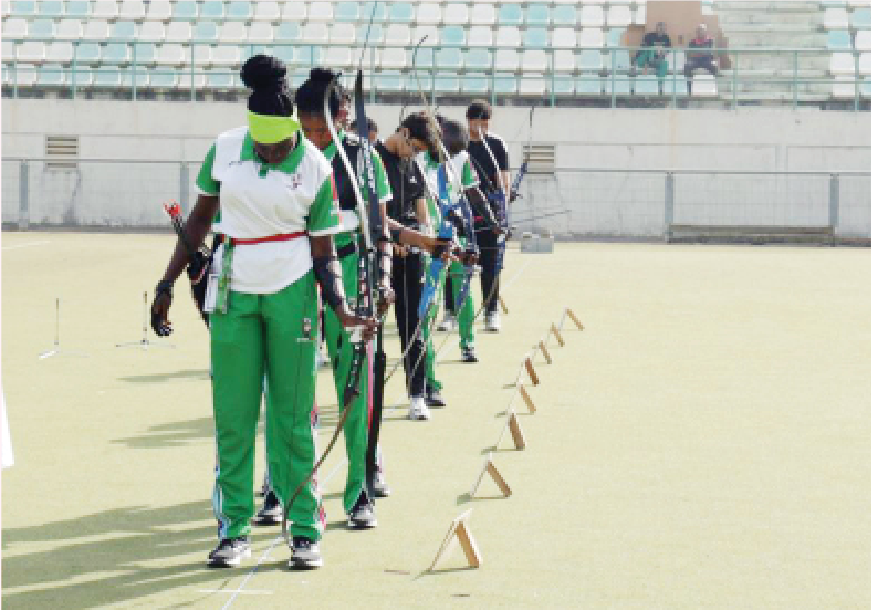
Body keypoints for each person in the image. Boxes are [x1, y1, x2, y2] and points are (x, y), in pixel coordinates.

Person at [150, 55, 376, 570]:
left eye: (276, 145)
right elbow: (198, 223)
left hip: (293, 291)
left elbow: (323, 252)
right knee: (233, 418)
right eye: (261, 144)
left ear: (293, 131)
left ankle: (304, 530)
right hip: (232, 292)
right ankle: (233, 529)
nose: (268, 152)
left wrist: (339, 307)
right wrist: (166, 282)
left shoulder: (315, 167)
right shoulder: (226, 150)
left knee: (292, 418)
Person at [293, 67, 394, 527]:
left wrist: (383, 279)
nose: (314, 137)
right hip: (295, 277)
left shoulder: (364, 159)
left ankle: (359, 491)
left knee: (354, 391)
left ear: (343, 116)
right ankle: (286, 486)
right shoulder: (285, 154)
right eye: (306, 127)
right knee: (291, 393)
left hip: (352, 273)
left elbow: (382, 230)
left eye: (322, 127)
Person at [375, 115, 442, 420]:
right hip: (378, 258)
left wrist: (424, 234)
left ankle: (417, 394)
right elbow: (375, 213)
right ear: (402, 132)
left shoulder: (412, 165)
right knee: (370, 332)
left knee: (412, 327)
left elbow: (420, 205)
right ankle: (366, 398)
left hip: (411, 256)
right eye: (413, 147)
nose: (413, 154)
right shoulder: (374, 158)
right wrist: (394, 238)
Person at [466, 100, 512, 333]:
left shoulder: (497, 144)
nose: (482, 128)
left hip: (490, 215)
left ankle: (491, 311)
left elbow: (504, 179)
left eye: (486, 123)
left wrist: (503, 199)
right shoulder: (458, 144)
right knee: (457, 264)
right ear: (469, 122)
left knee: (491, 265)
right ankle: (452, 311)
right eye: (477, 124)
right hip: (462, 213)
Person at [633, 22, 671, 91]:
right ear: (656, 28)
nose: (661, 29)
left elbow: (668, 50)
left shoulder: (666, 38)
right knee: (652, 48)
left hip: (656, 60)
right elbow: (643, 49)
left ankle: (660, 86)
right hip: (643, 60)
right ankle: (648, 62)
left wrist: (663, 52)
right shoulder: (649, 36)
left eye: (663, 28)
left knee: (664, 63)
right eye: (660, 28)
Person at [683, 24, 719, 95]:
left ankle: (714, 89)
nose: (700, 32)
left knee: (714, 67)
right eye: (698, 30)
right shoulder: (692, 41)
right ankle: (689, 89)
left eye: (702, 30)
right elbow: (689, 53)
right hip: (695, 60)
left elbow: (712, 52)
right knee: (687, 66)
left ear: (706, 31)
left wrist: (700, 52)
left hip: (707, 60)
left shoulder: (710, 41)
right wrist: (701, 52)